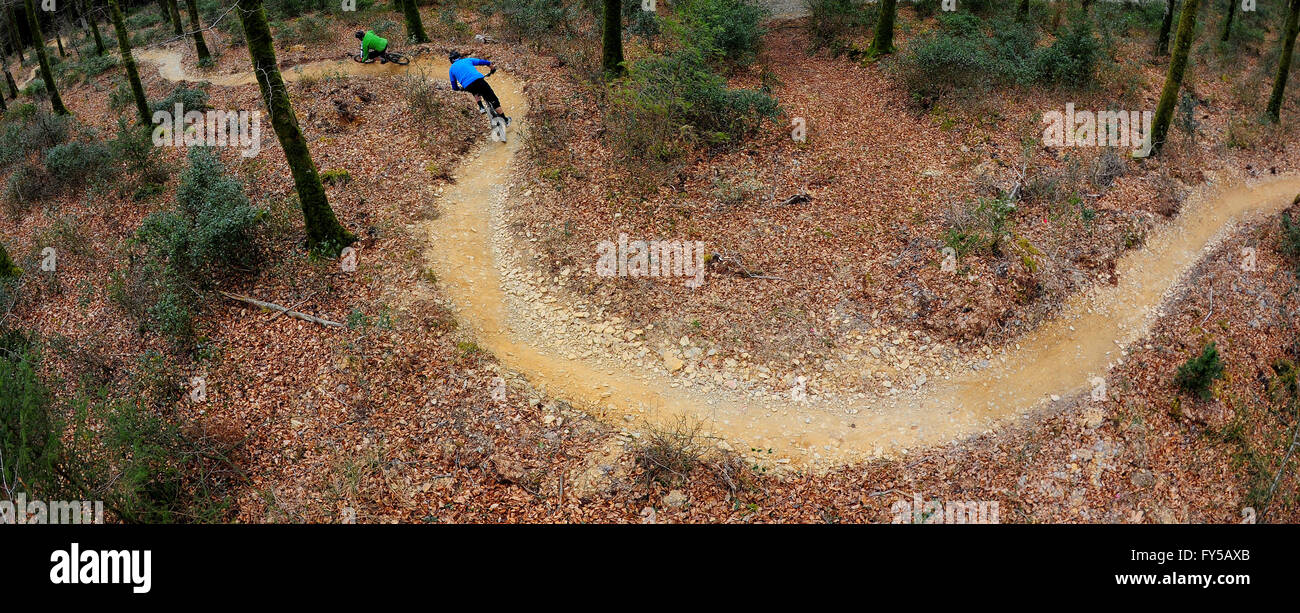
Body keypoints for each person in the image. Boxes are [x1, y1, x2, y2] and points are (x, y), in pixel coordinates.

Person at [448, 51, 510, 126]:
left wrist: (460, 89)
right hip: (479, 81)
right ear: (459, 57)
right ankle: (505, 120)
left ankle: (481, 106)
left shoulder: (451, 69)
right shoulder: (467, 60)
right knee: (493, 99)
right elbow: (484, 62)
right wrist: (492, 69)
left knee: (474, 91)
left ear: (451, 60)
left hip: (468, 86)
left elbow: (454, 87)